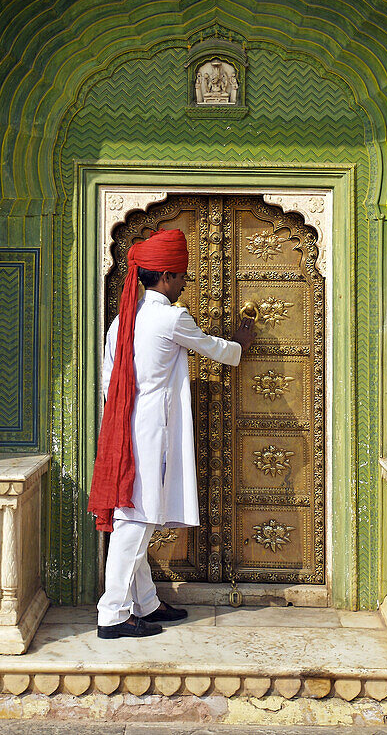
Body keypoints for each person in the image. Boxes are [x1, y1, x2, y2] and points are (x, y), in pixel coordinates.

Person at [89, 227, 255, 639]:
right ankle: (112, 614)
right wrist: (240, 343)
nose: (185, 282)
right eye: (181, 275)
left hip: (128, 428)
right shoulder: (170, 317)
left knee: (137, 518)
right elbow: (214, 349)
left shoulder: (122, 322)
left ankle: (145, 603)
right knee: (135, 523)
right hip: (150, 434)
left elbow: (110, 384)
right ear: (165, 276)